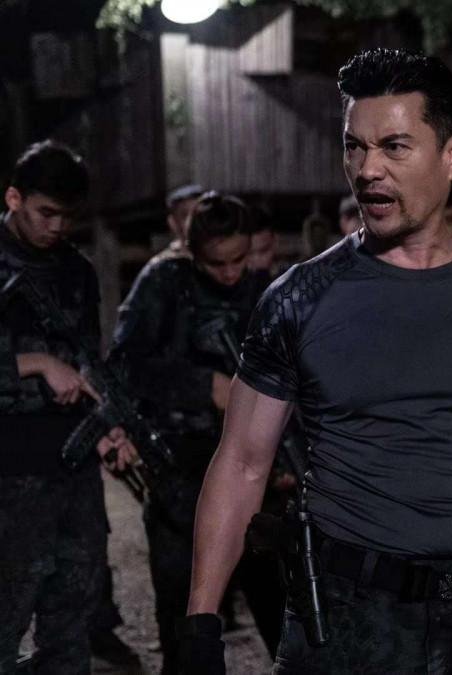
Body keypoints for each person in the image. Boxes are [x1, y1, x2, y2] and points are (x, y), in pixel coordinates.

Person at [176, 47, 452, 674]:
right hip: (344, 618)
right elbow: (243, 461)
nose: (367, 170)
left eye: (394, 147)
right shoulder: (299, 299)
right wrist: (201, 619)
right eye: (354, 147)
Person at [108, 191, 270, 674]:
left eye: (239, 259)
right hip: (179, 464)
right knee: (183, 604)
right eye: (217, 263)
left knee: (275, 596)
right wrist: (204, 386)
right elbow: (125, 366)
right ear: (193, 251)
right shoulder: (163, 282)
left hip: (250, 462)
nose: (231, 273)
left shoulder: (259, 287)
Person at [0, 140, 137, 673]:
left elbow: (86, 358)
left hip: (71, 465)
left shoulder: (74, 270)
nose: (56, 227)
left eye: (66, 217)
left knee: (73, 609)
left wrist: (107, 425)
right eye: (46, 213)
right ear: (14, 198)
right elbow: (53, 362)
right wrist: (34, 363)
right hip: (10, 470)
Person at [152, 184, 205, 264]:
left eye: (197, 213)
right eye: (185, 215)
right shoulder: (164, 265)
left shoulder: (220, 256)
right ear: (173, 223)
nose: (193, 220)